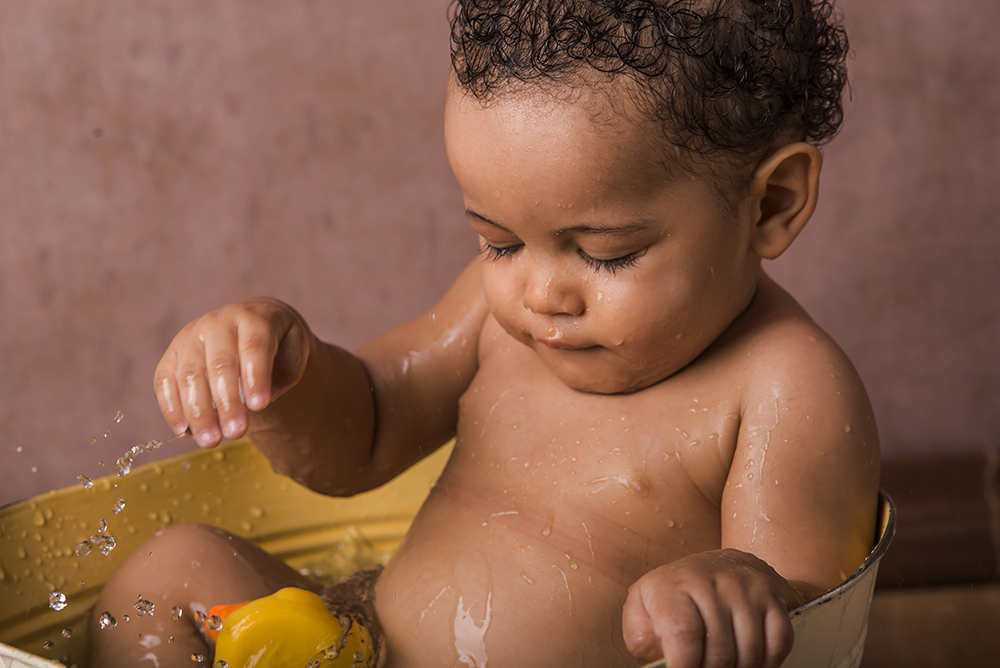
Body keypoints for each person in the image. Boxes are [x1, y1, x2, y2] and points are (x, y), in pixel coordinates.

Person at [92, 0, 880, 666]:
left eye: (606, 253)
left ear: (771, 204)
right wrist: (284, 373)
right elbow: (361, 432)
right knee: (171, 568)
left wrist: (738, 586)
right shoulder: (499, 316)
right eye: (497, 242)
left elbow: (816, 605)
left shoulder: (785, 386)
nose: (538, 292)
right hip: (359, 647)